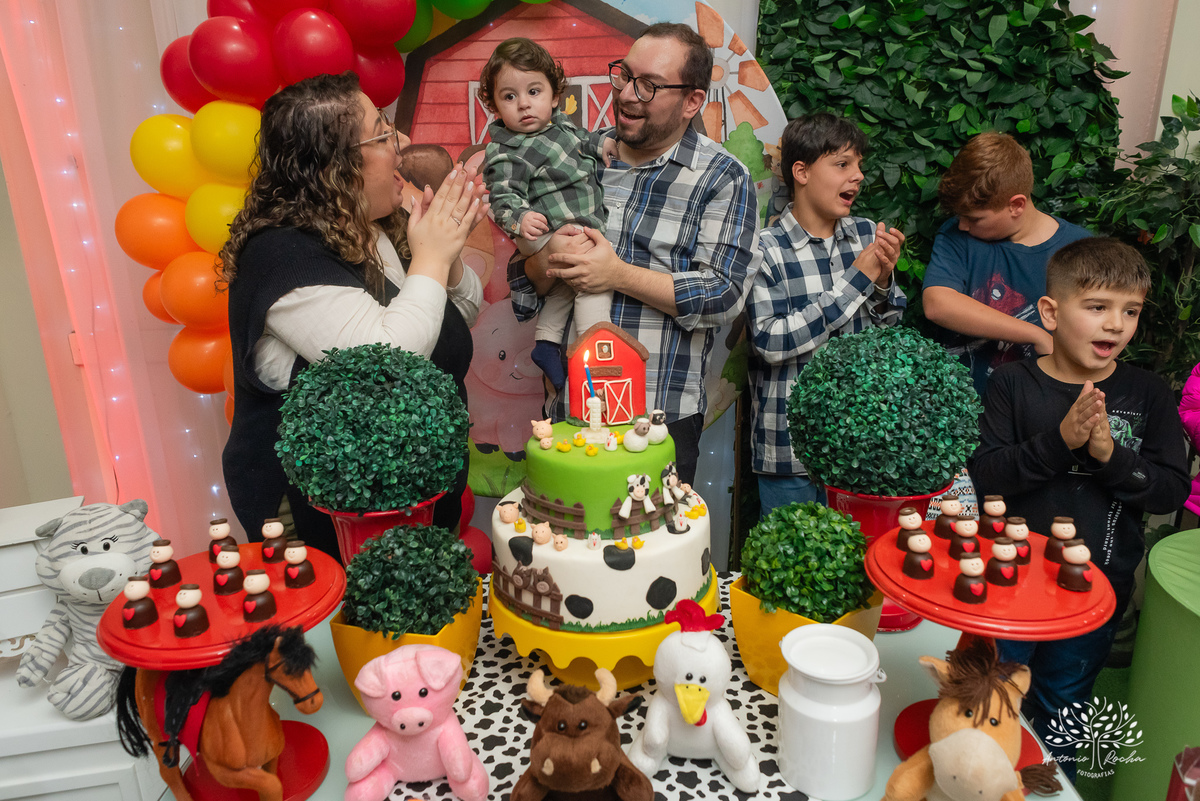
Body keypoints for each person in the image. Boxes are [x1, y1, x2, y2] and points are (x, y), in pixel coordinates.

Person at [221, 72, 488, 561]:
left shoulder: (372, 226)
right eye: (384, 133)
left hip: (407, 493)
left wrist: (444, 251)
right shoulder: (281, 253)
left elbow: (457, 313)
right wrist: (430, 256)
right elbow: (387, 360)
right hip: (320, 509)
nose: (403, 142)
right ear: (335, 164)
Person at [968, 237, 1190, 779]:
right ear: (1050, 311)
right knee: (992, 695)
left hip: (1094, 592)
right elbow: (985, 476)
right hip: (1010, 584)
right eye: (1097, 307)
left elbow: (1169, 491)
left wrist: (1110, 456)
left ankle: (1048, 784)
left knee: (1063, 704)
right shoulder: (1012, 385)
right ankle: (978, 781)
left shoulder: (1148, 393)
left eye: (1130, 311)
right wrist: (1059, 442)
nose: (1115, 325)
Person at [508, 22, 761, 484]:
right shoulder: (579, 155)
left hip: (660, 418)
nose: (626, 95)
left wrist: (616, 274)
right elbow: (525, 283)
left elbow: (725, 295)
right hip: (569, 410)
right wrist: (546, 258)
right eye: (624, 76)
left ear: (692, 102)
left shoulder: (722, 177)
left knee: (653, 547)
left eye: (648, 86)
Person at [745, 113, 905, 515]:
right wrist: (856, 282)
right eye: (842, 164)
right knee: (792, 571)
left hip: (862, 445)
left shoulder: (868, 234)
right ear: (801, 171)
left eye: (859, 166)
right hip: (789, 448)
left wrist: (883, 281)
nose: (858, 176)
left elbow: (890, 326)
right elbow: (769, 342)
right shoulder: (765, 248)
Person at [479, 37, 618, 389]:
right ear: (494, 106)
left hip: (573, 226)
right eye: (509, 97)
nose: (524, 104)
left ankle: (546, 343)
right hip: (544, 231)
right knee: (592, 281)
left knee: (564, 288)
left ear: (554, 96)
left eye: (534, 92)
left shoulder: (560, 125)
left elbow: (581, 140)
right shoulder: (507, 150)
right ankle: (592, 345)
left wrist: (600, 143)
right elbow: (502, 196)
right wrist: (520, 218)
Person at [922, 132, 1091, 396]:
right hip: (959, 409)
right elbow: (937, 305)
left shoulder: (1081, 248)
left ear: (1016, 205)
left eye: (974, 218)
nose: (963, 225)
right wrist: (1036, 335)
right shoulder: (957, 235)